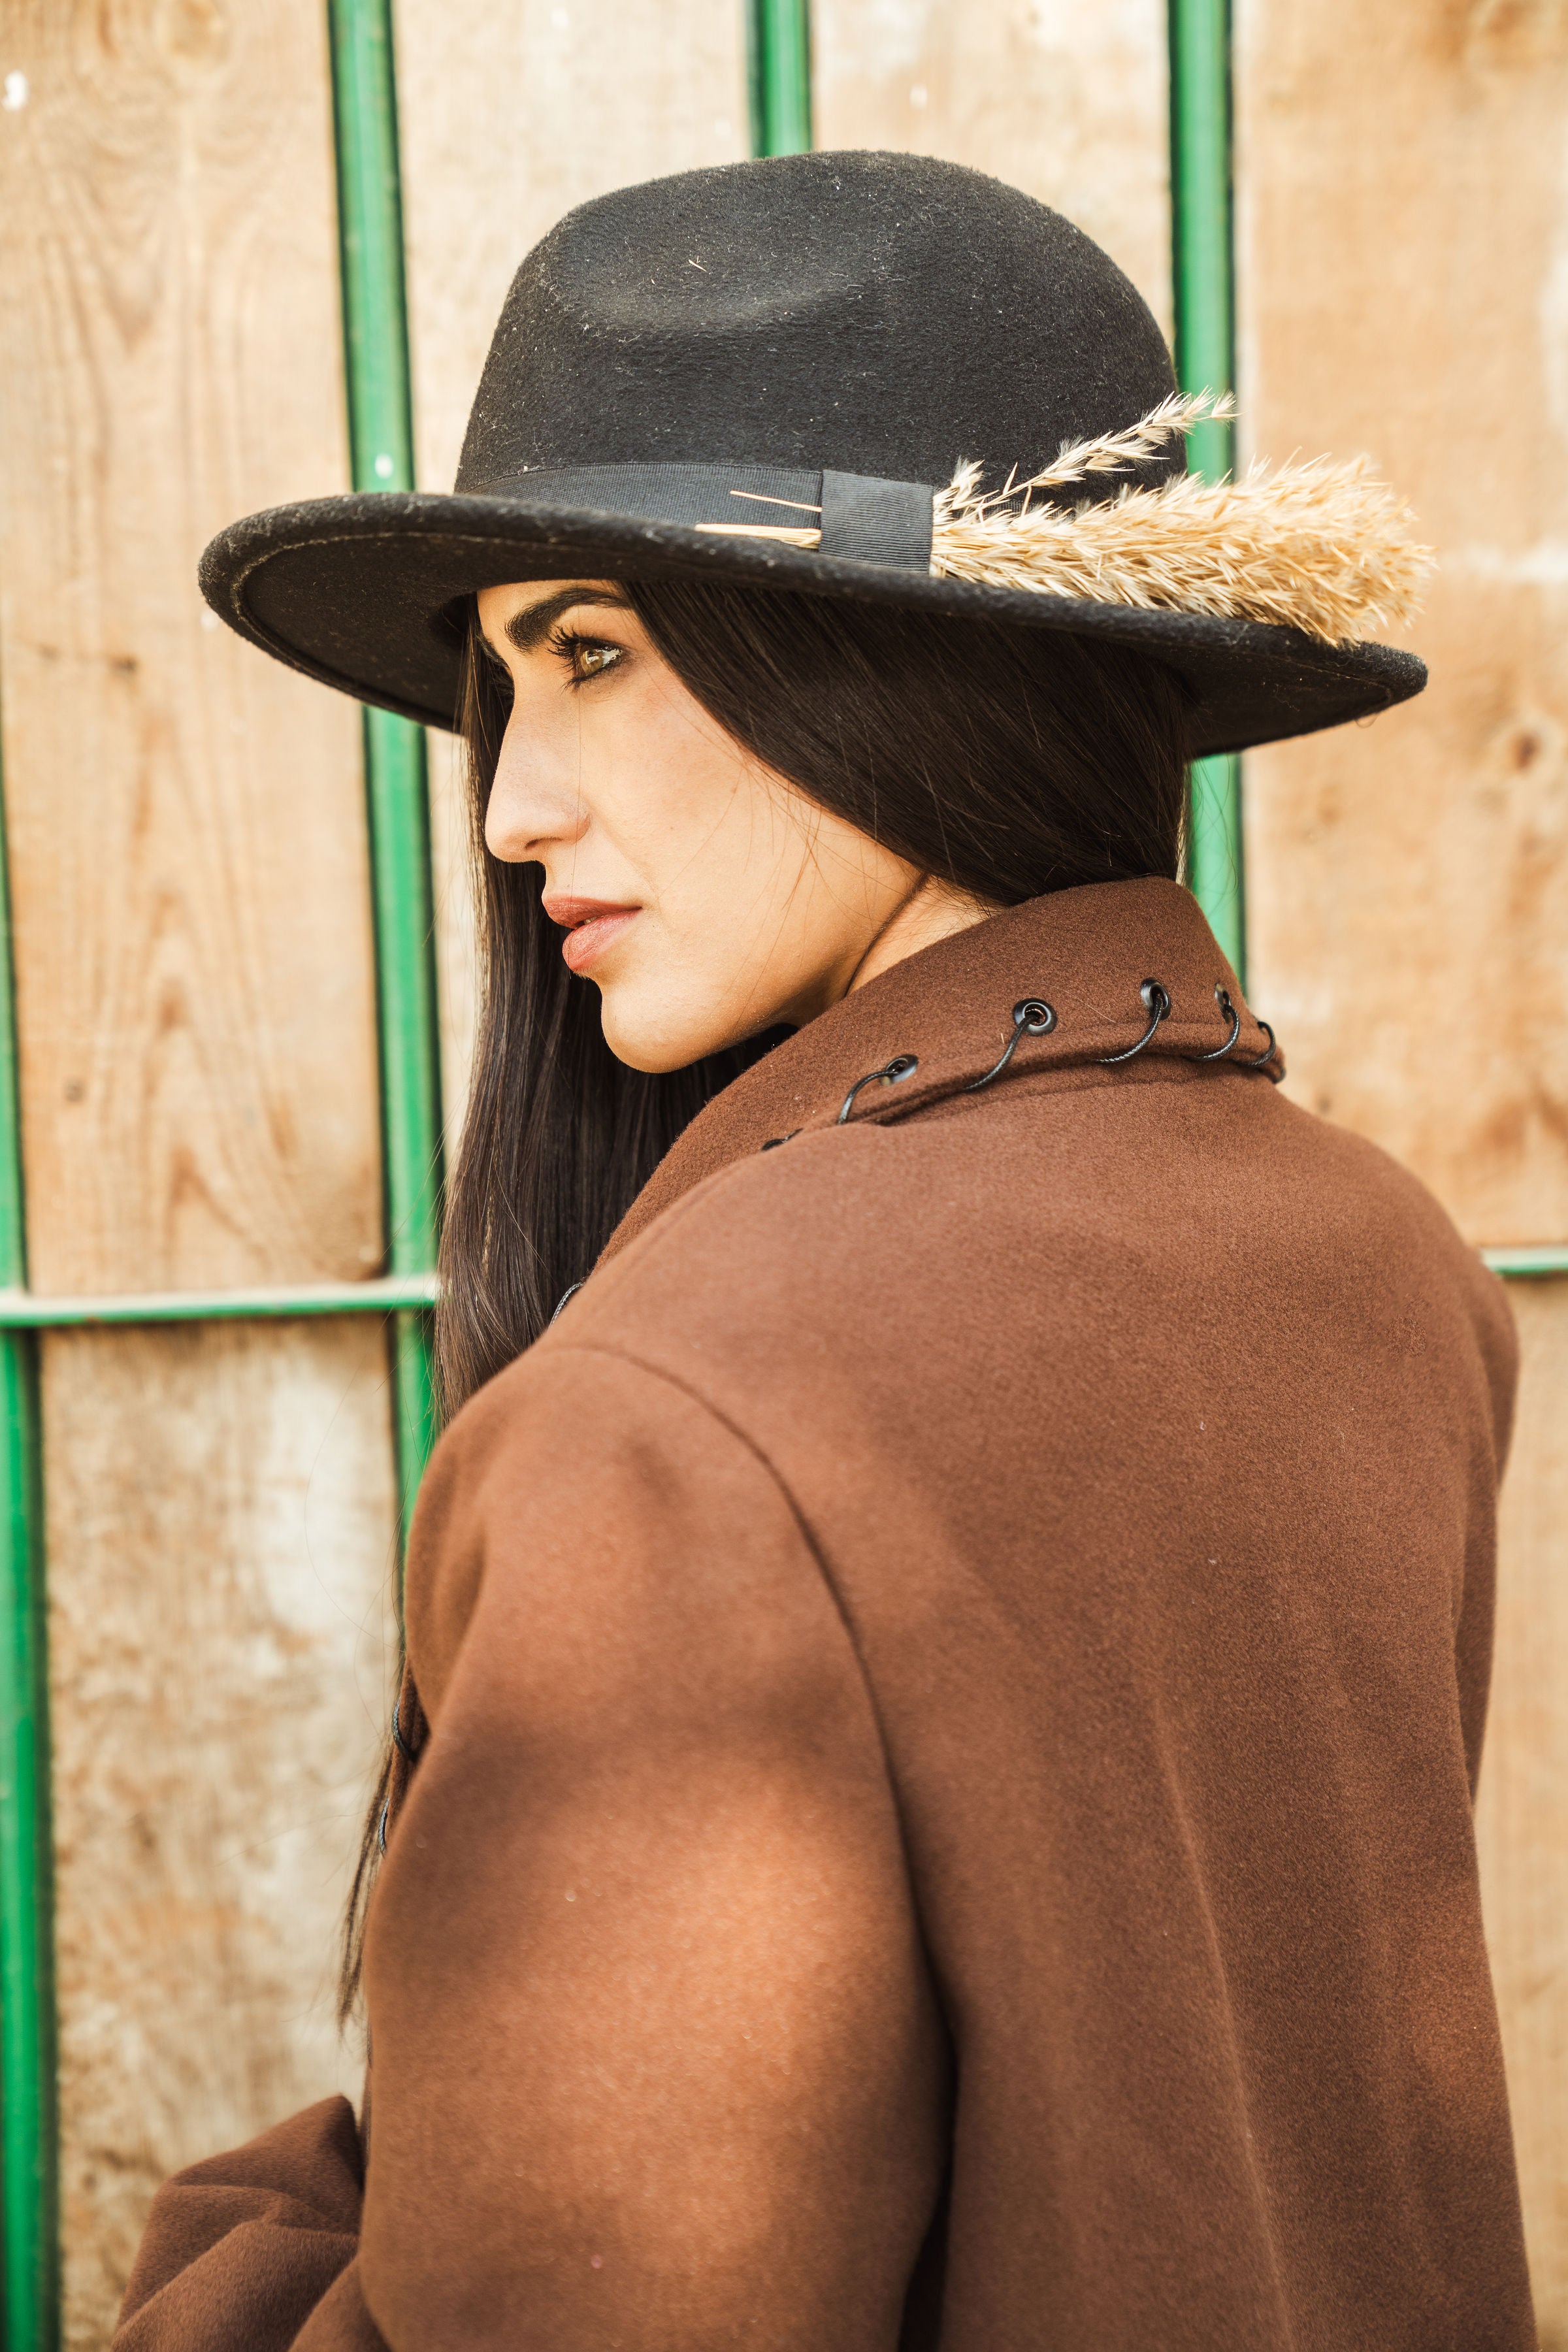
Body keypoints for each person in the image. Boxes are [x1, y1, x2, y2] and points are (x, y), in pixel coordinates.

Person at [114, 152, 1533, 2351]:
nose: (510, 805)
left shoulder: (677, 1430)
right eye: (508, 680)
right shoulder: (1383, 1261)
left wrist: (262, 2248)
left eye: (596, 650)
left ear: (896, 656)